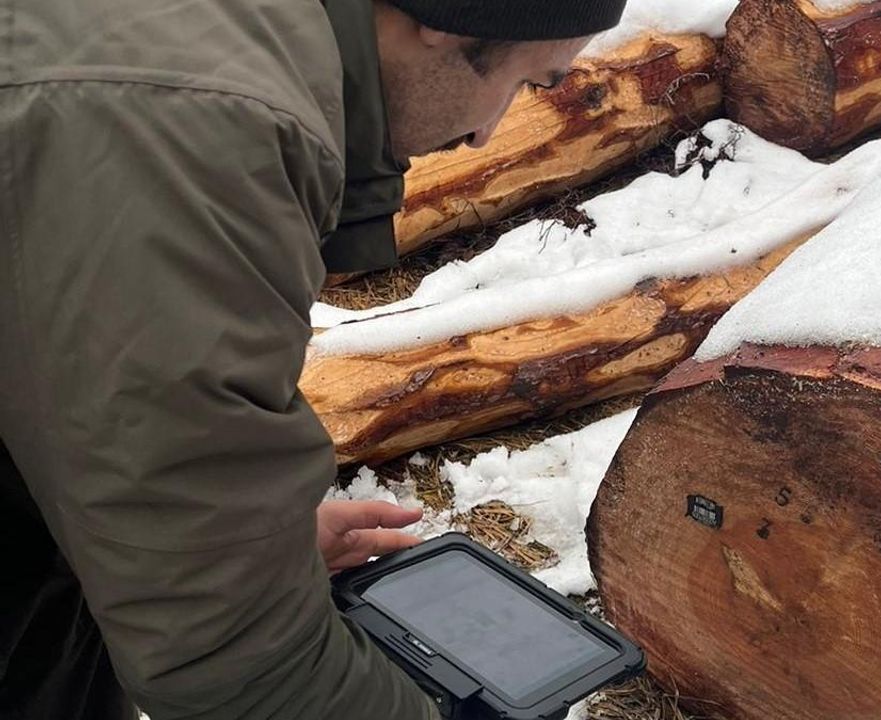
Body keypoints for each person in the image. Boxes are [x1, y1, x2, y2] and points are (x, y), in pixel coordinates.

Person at [0, 0, 625, 717]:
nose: (487, 134)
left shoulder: (214, 46)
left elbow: (89, 412)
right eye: (527, 83)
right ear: (448, 20)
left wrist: (241, 546)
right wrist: (225, 579)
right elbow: (232, 656)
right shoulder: (199, 134)